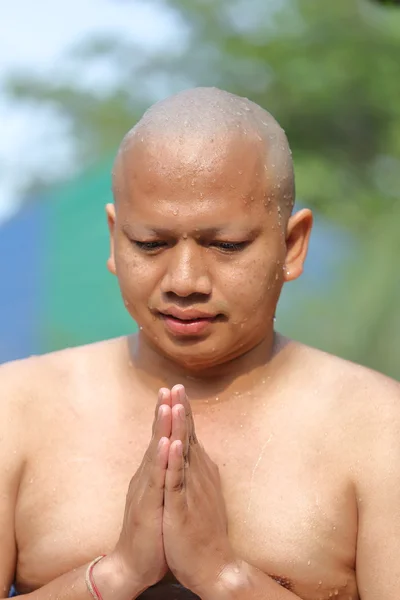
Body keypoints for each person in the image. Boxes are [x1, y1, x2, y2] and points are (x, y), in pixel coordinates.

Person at [0, 87, 399, 600]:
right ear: (114, 242)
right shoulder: (14, 410)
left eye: (226, 245)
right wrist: (114, 575)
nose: (185, 281)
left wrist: (226, 578)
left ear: (292, 246)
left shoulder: (378, 429)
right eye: (151, 244)